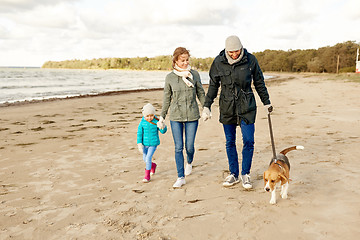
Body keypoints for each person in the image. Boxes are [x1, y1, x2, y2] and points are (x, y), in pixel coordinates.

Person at [202, 35, 273, 189]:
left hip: (246, 106)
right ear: (226, 50)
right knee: (230, 142)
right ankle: (234, 174)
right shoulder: (218, 62)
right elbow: (213, 86)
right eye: (231, 52)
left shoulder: (250, 60)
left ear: (241, 48)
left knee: (248, 140)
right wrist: (207, 106)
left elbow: (259, 82)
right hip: (227, 106)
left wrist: (266, 102)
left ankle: (245, 174)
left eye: (237, 51)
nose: (234, 54)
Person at [157, 47, 206, 188]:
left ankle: (189, 162)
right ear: (175, 61)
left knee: (189, 146)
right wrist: (162, 117)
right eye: (182, 60)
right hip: (176, 116)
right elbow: (167, 98)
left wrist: (206, 108)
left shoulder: (194, 75)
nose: (185, 63)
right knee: (178, 147)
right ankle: (180, 177)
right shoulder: (170, 78)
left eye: (187, 60)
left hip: (192, 115)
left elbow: (201, 93)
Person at [137, 103, 167, 183]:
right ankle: (153, 166)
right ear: (144, 116)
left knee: (148, 158)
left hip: (153, 144)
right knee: (145, 159)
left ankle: (147, 176)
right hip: (144, 144)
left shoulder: (156, 121)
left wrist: (162, 126)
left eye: (151, 116)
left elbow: (163, 131)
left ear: (154, 115)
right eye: (147, 116)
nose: (149, 118)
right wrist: (139, 144)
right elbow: (139, 134)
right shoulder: (142, 123)